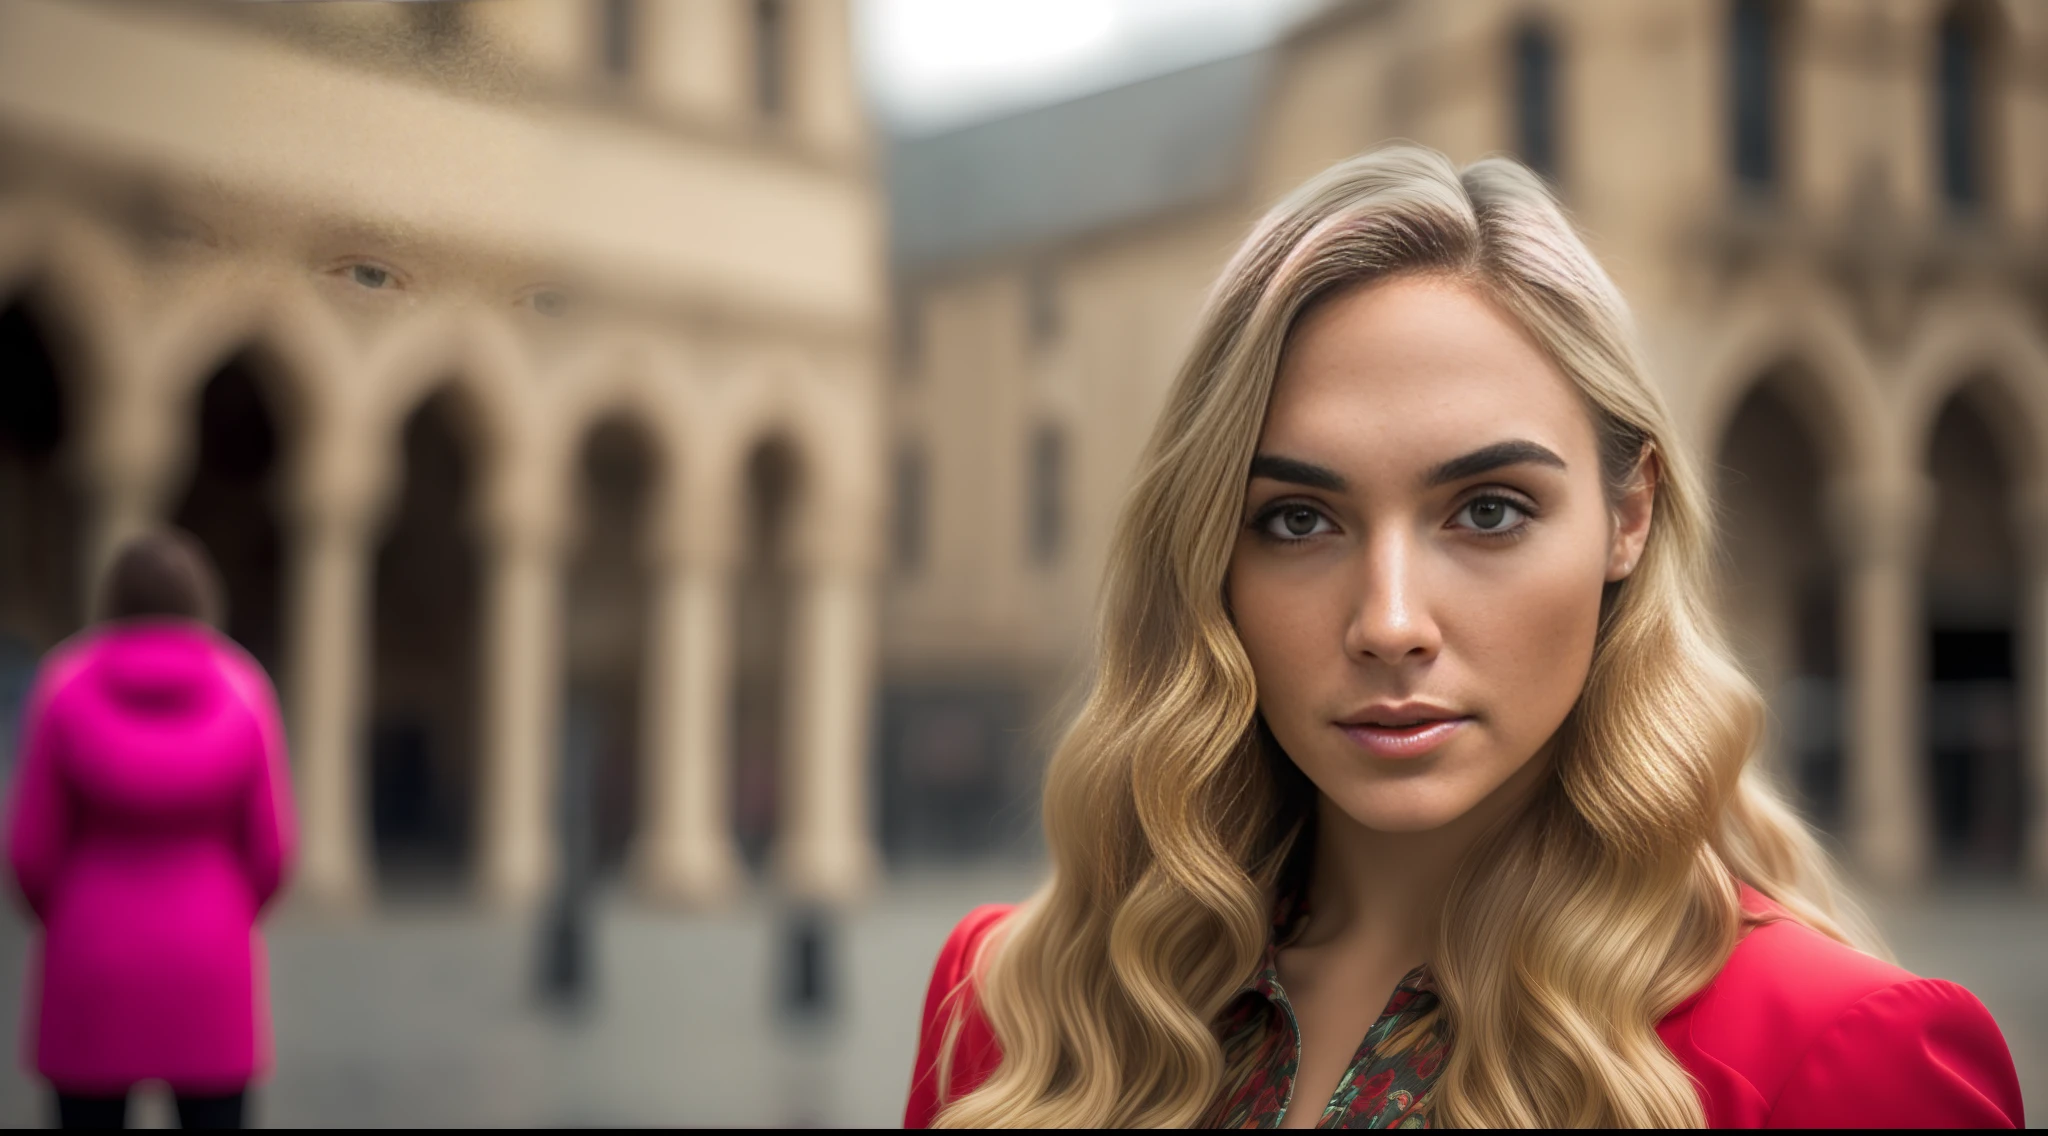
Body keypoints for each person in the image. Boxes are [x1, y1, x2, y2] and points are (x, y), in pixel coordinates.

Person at [902, 146, 2023, 1128]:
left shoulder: (1840, 1061)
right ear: (1210, 556)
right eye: (1296, 519)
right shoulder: (1018, 1009)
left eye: (1486, 509)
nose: (1389, 621)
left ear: (1625, 515)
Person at [6, 529, 296, 1129]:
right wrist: (223, 913)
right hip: (210, 958)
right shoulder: (244, 690)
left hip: (90, 955)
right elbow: (273, 851)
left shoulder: (64, 687)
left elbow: (30, 851)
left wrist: (69, 917)